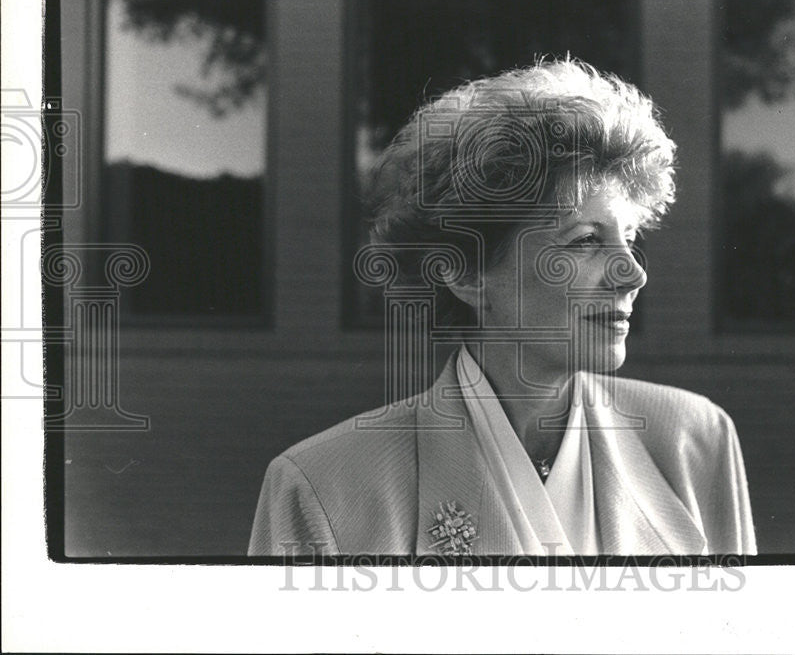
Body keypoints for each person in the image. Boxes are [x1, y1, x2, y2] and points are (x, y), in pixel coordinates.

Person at [249, 58, 756, 556]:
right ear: (464, 272)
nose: (633, 274)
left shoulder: (695, 442)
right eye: (583, 241)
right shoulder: (323, 489)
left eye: (629, 238)